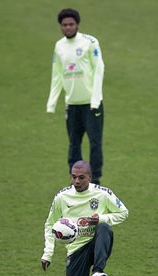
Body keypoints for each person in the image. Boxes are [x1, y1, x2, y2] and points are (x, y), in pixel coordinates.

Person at [46, 8, 105, 184]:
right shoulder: (59, 46)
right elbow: (57, 74)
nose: (68, 28)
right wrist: (52, 102)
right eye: (64, 25)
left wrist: (95, 99)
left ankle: (95, 180)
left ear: (77, 24)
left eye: (71, 24)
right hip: (71, 104)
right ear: (60, 26)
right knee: (73, 144)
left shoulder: (90, 42)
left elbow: (99, 69)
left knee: (95, 142)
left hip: (91, 104)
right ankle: (76, 179)